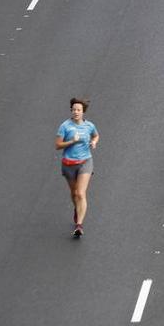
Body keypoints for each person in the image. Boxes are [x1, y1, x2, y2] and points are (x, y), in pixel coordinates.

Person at [56, 98, 99, 238]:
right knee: (74, 193)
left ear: (83, 112)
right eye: (74, 109)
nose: (76, 112)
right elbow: (58, 145)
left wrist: (93, 142)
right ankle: (77, 208)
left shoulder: (89, 126)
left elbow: (96, 135)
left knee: (80, 193)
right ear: (71, 110)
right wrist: (71, 141)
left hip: (85, 162)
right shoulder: (65, 126)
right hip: (68, 163)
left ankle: (79, 225)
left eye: (79, 110)